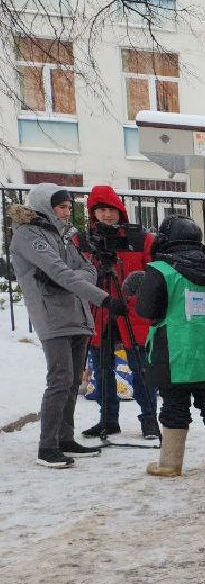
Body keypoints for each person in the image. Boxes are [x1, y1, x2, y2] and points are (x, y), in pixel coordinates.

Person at [7, 184, 126, 468]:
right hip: (52, 316)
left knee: (73, 381)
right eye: (61, 207)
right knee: (59, 379)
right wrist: (104, 299)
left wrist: (71, 277)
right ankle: (46, 447)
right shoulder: (28, 234)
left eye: (69, 207)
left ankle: (65, 438)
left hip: (77, 314)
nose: (66, 211)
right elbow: (59, 272)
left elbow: (88, 269)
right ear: (45, 206)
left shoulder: (63, 234)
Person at [124, 216, 205, 477]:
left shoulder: (161, 270)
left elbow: (148, 310)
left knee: (174, 405)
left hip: (174, 351)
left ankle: (170, 464)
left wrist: (140, 289)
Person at [79, 185, 159, 441]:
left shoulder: (141, 239)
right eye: (100, 210)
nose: (106, 215)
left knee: (142, 370)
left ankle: (149, 421)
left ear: (120, 210)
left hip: (133, 313)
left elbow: (155, 273)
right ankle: (107, 420)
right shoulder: (85, 241)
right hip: (100, 311)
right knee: (102, 370)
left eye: (110, 209)